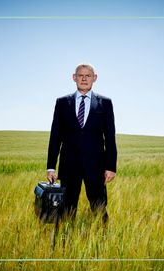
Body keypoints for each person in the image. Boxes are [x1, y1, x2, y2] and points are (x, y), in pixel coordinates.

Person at [46, 63, 117, 224]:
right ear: (74, 78)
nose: (84, 78)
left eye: (88, 75)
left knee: (99, 208)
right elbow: (55, 136)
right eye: (80, 75)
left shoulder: (105, 103)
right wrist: (51, 166)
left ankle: (104, 242)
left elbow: (110, 137)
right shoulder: (62, 103)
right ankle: (65, 243)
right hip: (69, 166)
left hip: (96, 167)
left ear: (95, 78)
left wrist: (111, 166)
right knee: (67, 210)